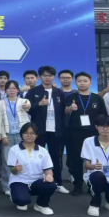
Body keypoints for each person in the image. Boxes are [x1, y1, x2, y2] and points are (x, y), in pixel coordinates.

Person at [25, 66, 69, 194]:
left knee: (56, 157)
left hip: (56, 130)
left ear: (53, 77)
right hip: (39, 130)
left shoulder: (59, 92)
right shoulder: (33, 92)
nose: (47, 78)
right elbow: (27, 109)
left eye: (50, 75)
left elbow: (64, 111)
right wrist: (39, 104)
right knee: (36, 157)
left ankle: (58, 182)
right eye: (44, 75)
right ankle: (35, 181)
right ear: (40, 77)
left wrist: (70, 109)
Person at [64, 72, 108, 196]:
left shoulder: (97, 98)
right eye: (79, 81)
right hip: (75, 133)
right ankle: (77, 185)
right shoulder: (71, 97)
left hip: (93, 133)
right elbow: (64, 111)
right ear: (75, 82)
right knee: (76, 160)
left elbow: (103, 115)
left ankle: (92, 184)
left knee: (93, 159)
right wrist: (70, 109)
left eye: (85, 81)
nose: (82, 83)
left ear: (90, 82)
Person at [7, 123, 57, 215]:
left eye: (32, 133)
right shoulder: (14, 149)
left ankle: (41, 204)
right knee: (22, 202)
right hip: (19, 180)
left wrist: (49, 175)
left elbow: (48, 169)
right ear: (21, 134)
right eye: (26, 133)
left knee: (51, 184)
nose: (29, 135)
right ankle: (17, 195)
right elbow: (12, 171)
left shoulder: (43, 150)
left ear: (36, 135)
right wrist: (15, 169)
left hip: (36, 181)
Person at [0, 80, 31, 196]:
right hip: (7, 135)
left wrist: (27, 106)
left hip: (21, 135)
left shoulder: (24, 101)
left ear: (18, 90)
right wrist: (3, 135)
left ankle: (23, 184)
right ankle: (6, 186)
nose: (11, 90)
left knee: (23, 160)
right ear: (5, 90)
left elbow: (28, 107)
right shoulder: (0, 103)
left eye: (14, 88)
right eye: (9, 88)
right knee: (7, 161)